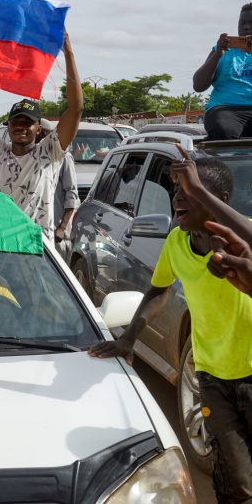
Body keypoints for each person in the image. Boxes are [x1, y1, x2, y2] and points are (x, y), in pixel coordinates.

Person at [88, 157, 252, 503]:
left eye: (190, 190)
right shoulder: (177, 242)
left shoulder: (245, 236)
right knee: (236, 478)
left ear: (217, 198)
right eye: (177, 189)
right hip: (211, 375)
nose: (177, 197)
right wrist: (128, 338)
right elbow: (159, 290)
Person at [0, 32, 83, 241]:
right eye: (15, 122)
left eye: (27, 123)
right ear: (8, 126)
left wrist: (69, 53)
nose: (21, 127)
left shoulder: (50, 152)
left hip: (39, 249)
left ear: (38, 129)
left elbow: (75, 109)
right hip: (1, 245)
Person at [194, 3, 252, 140]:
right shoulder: (221, 50)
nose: (246, 27)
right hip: (225, 108)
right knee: (224, 130)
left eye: (251, 23)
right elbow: (198, 86)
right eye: (242, 23)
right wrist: (217, 54)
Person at [38, 118, 79, 260]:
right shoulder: (34, 158)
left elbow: (72, 195)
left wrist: (62, 228)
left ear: (41, 132)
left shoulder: (64, 158)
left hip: (56, 234)